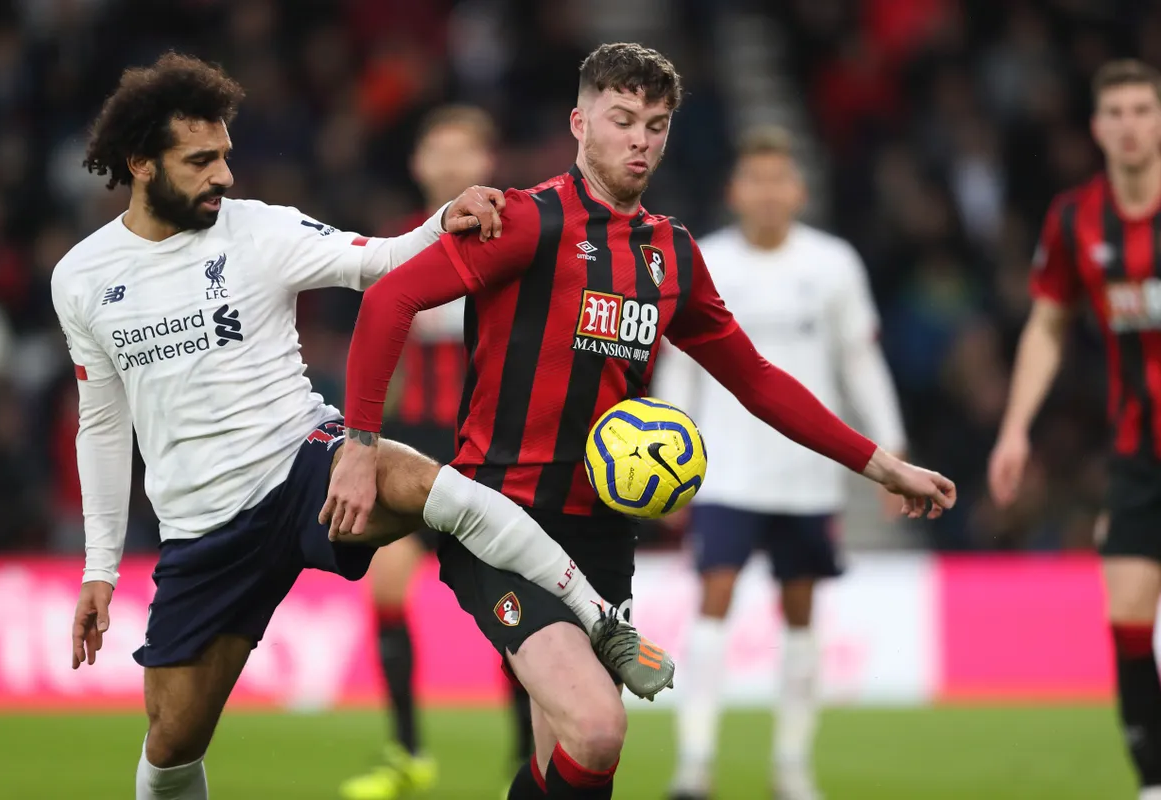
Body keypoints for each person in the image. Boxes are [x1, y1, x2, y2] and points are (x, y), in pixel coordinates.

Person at [325, 42, 956, 800]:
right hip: (501, 516)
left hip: (602, 530)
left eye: (655, 126)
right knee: (599, 729)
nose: (640, 141)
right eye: (622, 120)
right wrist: (359, 446)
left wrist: (881, 463)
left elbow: (756, 380)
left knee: (573, 754)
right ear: (579, 123)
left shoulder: (671, 254)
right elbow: (388, 300)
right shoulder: (524, 221)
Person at [57, 52, 671, 800]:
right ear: (139, 163)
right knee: (171, 745)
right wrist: (99, 567)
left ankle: (600, 621)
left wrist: (443, 219)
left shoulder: (260, 229)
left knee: (435, 488)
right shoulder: (81, 278)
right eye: (200, 161)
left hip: (302, 461)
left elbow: (379, 262)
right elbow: (102, 423)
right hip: (204, 525)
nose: (224, 175)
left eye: (225, 154)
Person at [653, 125, 906, 800]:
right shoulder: (705, 261)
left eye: (778, 180)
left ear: (798, 190)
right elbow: (679, 368)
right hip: (724, 469)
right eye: (755, 180)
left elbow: (860, 359)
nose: (767, 192)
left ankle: (792, 765)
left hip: (806, 476)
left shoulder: (833, 264)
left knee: (801, 611)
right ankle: (695, 763)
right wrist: (667, 462)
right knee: (713, 600)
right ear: (734, 191)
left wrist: (891, 446)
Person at [339, 105, 535, 800]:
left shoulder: (515, 244)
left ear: (488, 164)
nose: (451, 163)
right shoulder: (396, 246)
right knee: (388, 591)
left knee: (511, 606)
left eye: (464, 151)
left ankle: (526, 756)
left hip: (486, 446)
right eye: (438, 150)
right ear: (418, 163)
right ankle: (407, 752)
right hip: (411, 442)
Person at [988, 59, 1161, 800]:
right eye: (1115, 112)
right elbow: (1048, 325)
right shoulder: (1075, 219)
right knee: (1127, 616)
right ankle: (1153, 784)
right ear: (1096, 127)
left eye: (1142, 110)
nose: (1130, 125)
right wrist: (1015, 429)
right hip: (1138, 452)